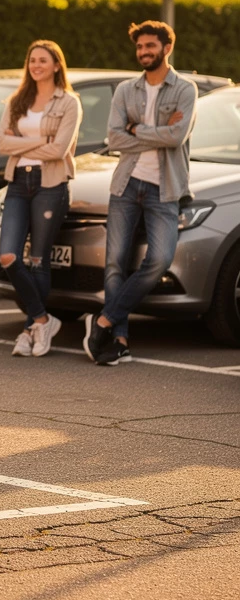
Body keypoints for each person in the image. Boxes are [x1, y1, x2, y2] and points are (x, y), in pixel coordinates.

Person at [84, 21, 196, 367]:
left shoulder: (185, 89)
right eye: (140, 47)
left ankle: (102, 320)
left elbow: (176, 137)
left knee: (159, 260)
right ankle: (118, 340)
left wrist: (136, 128)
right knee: (115, 263)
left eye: (150, 46)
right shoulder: (125, 90)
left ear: (166, 47)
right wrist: (154, 131)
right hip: (126, 183)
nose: (144, 52)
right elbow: (114, 139)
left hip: (165, 188)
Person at [0, 41, 83, 358]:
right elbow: (3, 144)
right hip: (18, 182)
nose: (36, 65)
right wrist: (40, 140)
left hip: (51, 182)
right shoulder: (17, 100)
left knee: (38, 260)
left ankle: (29, 328)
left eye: (43, 60)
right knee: (8, 256)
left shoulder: (69, 102)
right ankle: (44, 320)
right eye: (31, 59)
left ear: (57, 65)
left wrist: (24, 143)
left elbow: (59, 150)